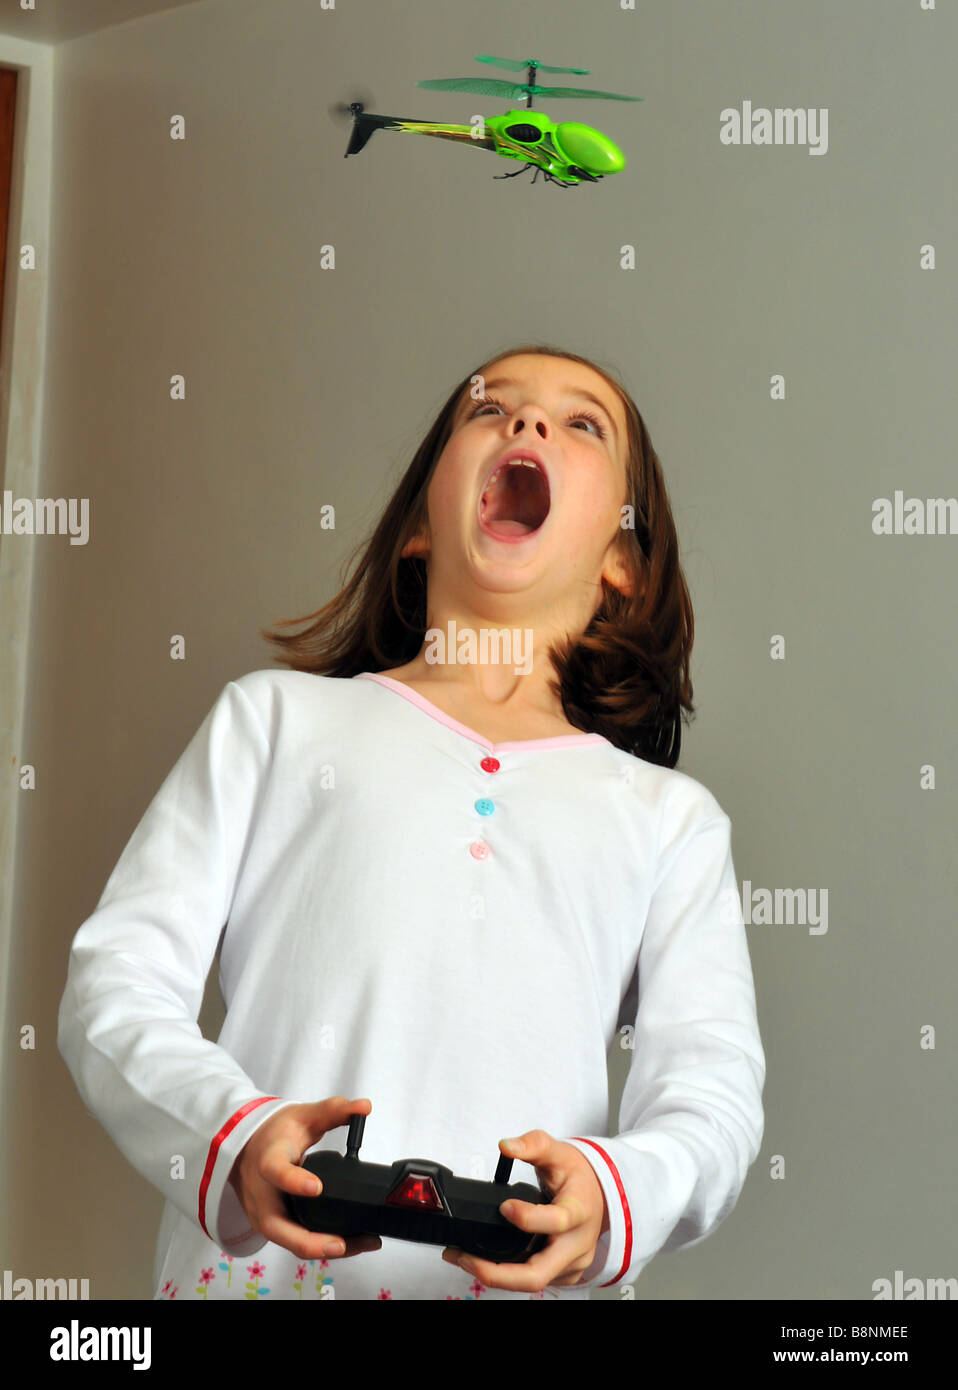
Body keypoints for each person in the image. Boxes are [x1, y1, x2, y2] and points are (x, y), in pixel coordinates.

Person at [57, 343, 765, 1301]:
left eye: (582, 421)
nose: (527, 423)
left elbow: (711, 1095)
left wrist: (613, 1192)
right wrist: (229, 1133)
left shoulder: (669, 822)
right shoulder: (273, 723)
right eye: (490, 409)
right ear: (419, 531)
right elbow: (116, 984)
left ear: (623, 562)